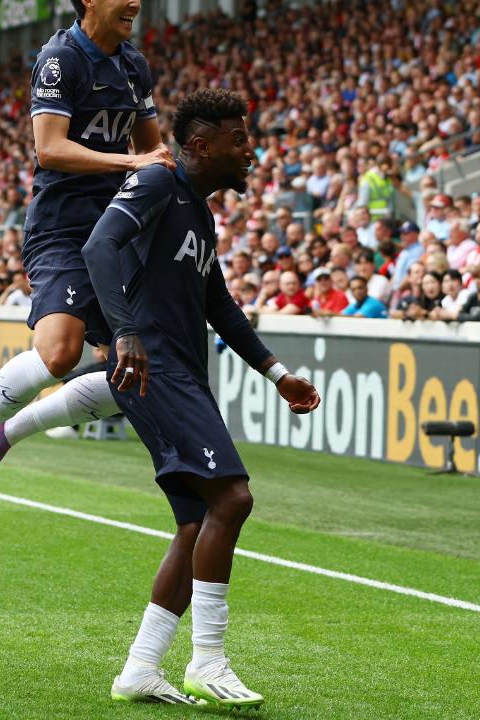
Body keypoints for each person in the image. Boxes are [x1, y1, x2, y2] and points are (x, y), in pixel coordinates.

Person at [82, 88, 321, 707]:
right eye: (237, 140)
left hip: (180, 369)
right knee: (233, 498)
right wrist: (125, 332)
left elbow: (217, 303)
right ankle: (209, 659)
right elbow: (98, 247)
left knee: (196, 523)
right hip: (152, 366)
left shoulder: (199, 211)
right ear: (199, 145)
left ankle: (140, 669)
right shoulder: (160, 185)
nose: (250, 150)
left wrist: (276, 372)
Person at [0, 0, 175, 515]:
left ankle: (9, 433)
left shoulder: (134, 66)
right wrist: (131, 164)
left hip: (116, 231)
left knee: (139, 371)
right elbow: (50, 148)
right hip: (64, 226)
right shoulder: (61, 58)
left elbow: (151, 149)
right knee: (60, 351)